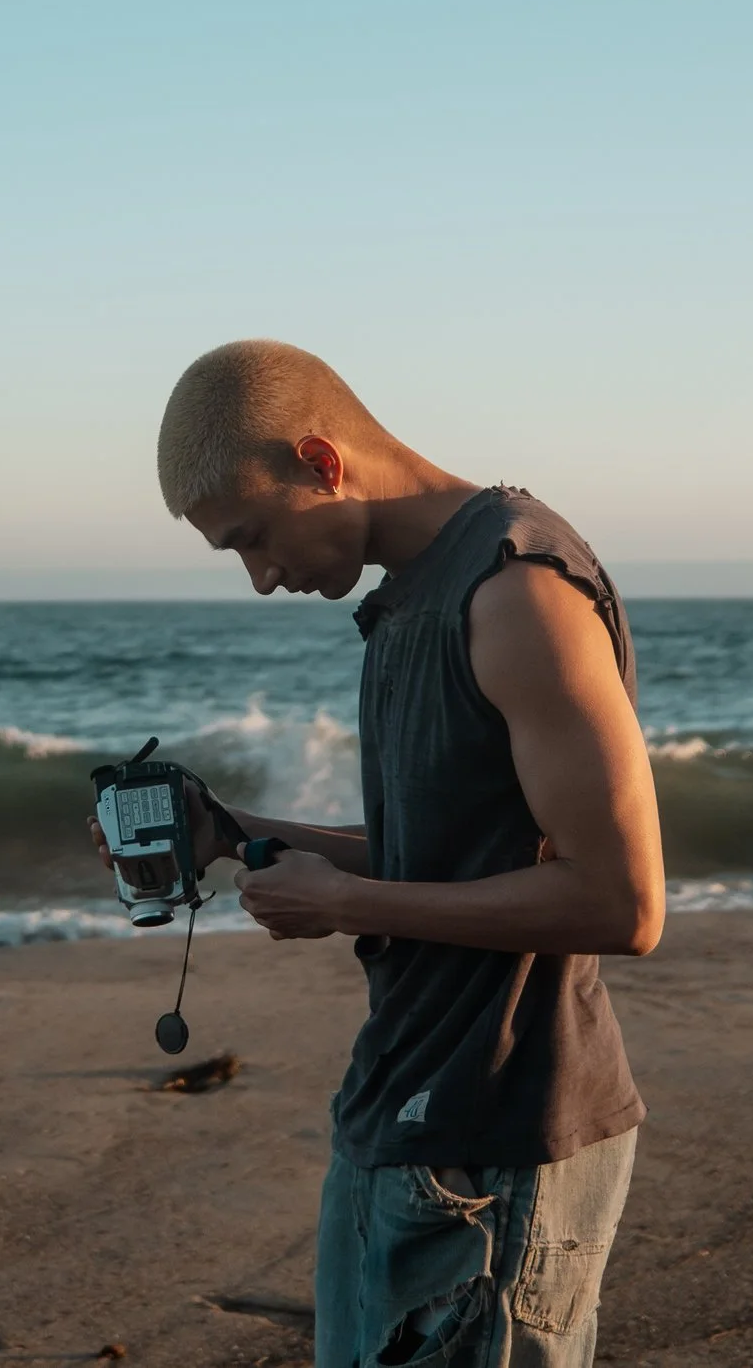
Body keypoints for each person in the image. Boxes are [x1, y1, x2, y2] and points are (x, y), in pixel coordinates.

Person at [93, 339, 666, 1368]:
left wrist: (350, 900)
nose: (261, 578)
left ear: (320, 459)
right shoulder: (412, 595)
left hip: (499, 1138)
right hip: (398, 1115)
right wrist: (233, 833)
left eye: (253, 537)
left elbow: (620, 901)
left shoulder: (516, 589)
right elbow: (443, 851)